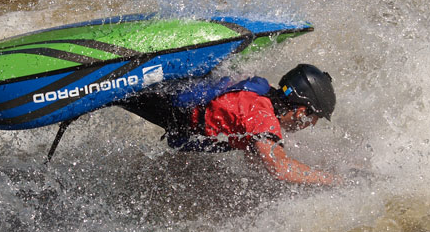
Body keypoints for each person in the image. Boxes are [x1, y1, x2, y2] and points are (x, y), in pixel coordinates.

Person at [120, 63, 341, 186]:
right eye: (314, 118)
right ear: (302, 110)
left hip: (174, 100)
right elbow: (279, 168)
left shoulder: (264, 92)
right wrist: (334, 181)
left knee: (123, 95)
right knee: (120, 94)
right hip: (170, 110)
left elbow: (257, 160)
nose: (311, 125)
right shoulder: (262, 115)